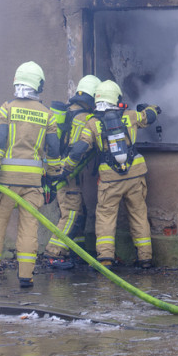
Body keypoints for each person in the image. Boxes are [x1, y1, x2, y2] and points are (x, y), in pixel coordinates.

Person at [0, 61, 62, 289]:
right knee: (29, 228)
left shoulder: (7, 108)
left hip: (5, 182)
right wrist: (52, 181)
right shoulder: (48, 116)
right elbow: (54, 152)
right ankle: (26, 276)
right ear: (38, 84)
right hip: (33, 184)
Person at [61, 80, 160, 269]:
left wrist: (66, 168)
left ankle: (105, 258)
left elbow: (80, 149)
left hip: (110, 178)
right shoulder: (130, 116)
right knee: (139, 214)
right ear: (116, 98)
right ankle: (145, 258)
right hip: (135, 174)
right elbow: (149, 116)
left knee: (106, 217)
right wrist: (152, 107)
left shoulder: (92, 123)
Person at [43, 74, 101, 269]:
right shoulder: (87, 119)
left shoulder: (68, 113)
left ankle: (77, 251)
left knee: (79, 211)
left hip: (61, 170)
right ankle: (55, 253)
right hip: (66, 173)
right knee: (72, 214)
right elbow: (80, 148)